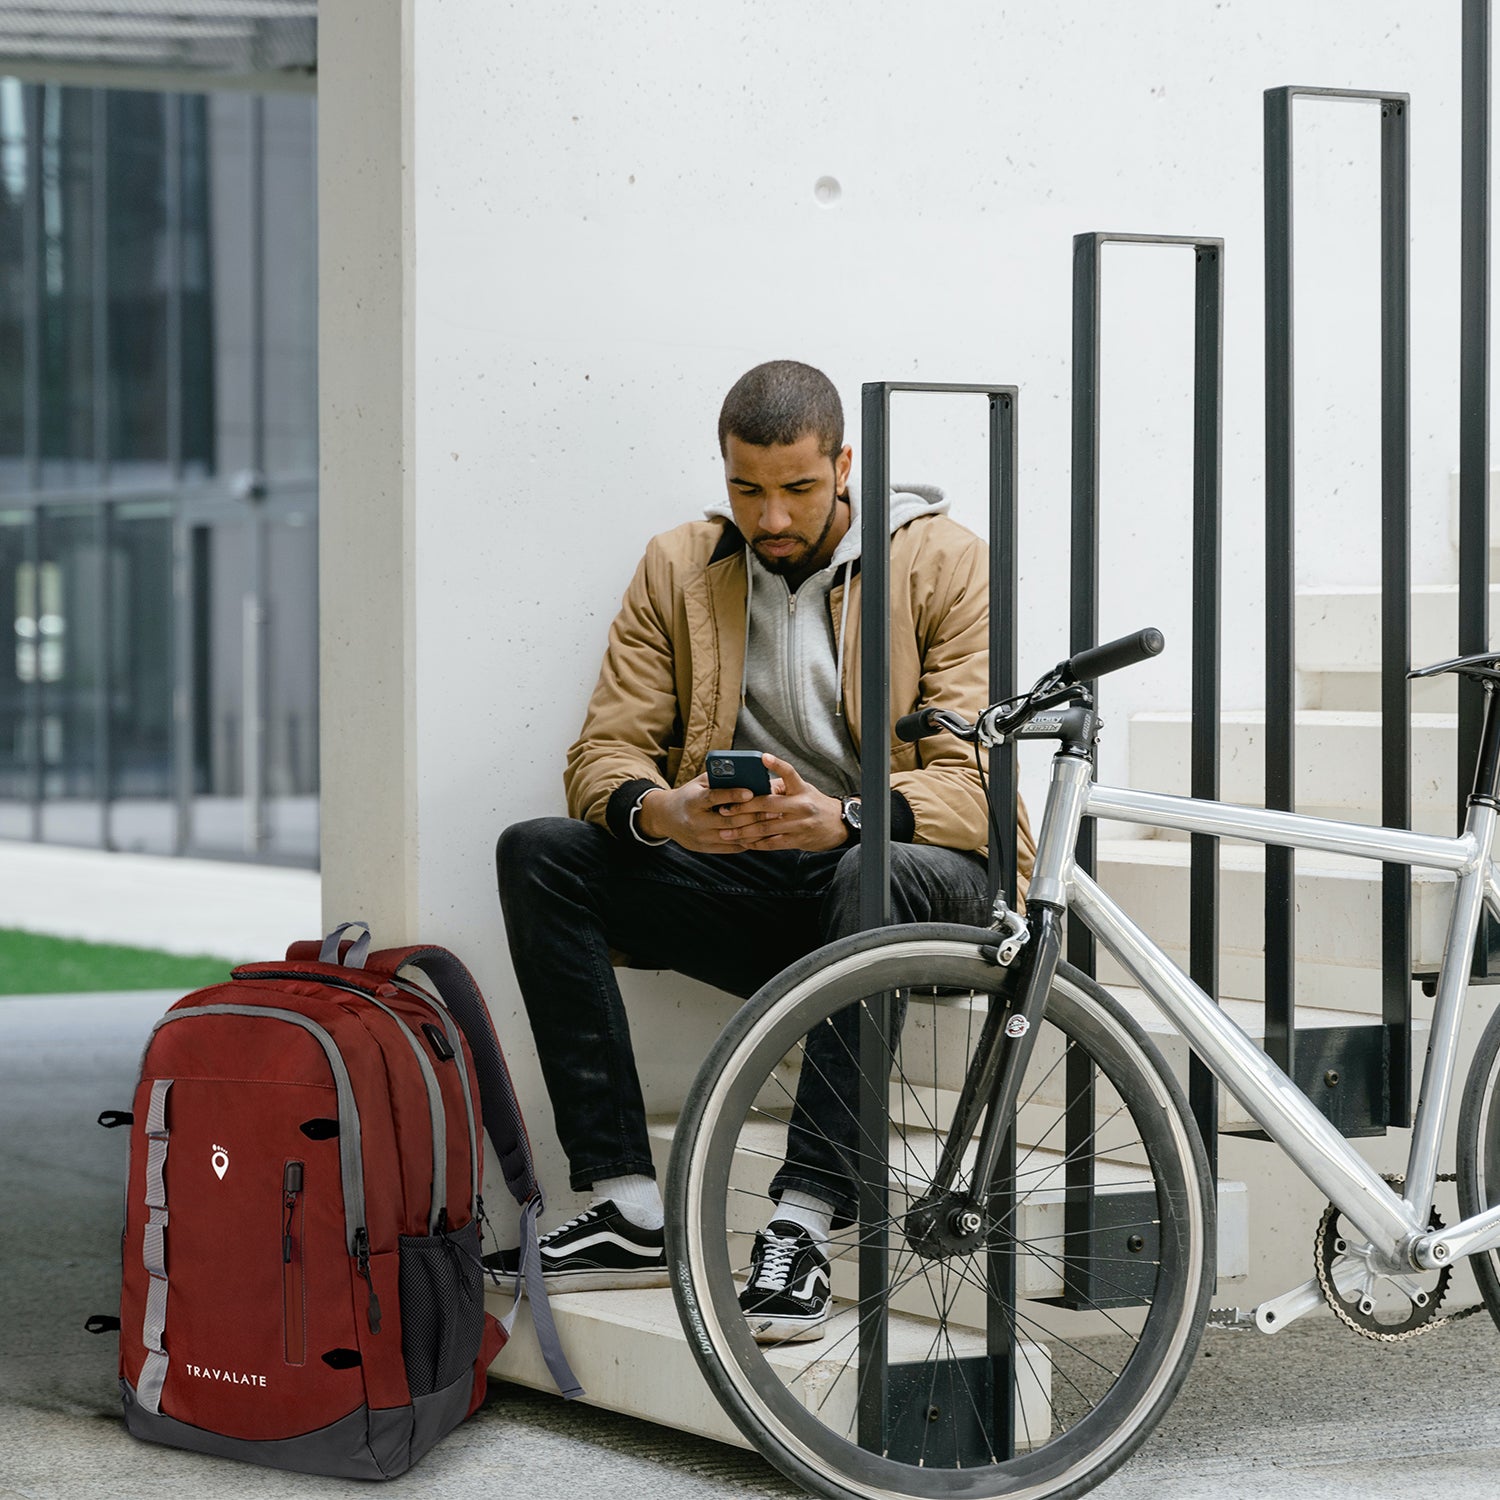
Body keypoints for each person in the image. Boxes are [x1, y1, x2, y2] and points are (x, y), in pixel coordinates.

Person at [496, 359, 1034, 1342]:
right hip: (771, 890)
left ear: (845, 465)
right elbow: (603, 750)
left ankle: (803, 1218)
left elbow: (975, 786)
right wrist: (665, 813)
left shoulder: (943, 561)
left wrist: (851, 817)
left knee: (863, 866)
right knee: (540, 854)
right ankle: (628, 1203)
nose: (772, 517)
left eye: (796, 489)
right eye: (748, 489)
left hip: (919, 879)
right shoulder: (681, 566)